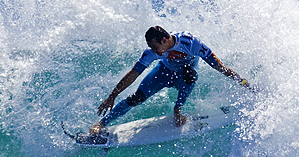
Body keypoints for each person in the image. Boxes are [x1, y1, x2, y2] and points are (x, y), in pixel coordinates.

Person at [90, 26, 251, 134]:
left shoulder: (190, 43)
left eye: (155, 47)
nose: (153, 51)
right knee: (136, 99)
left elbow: (219, 66)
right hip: (163, 73)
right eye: (151, 48)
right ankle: (103, 123)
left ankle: (177, 110)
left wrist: (244, 83)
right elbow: (134, 73)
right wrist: (112, 96)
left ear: (165, 40)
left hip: (183, 77)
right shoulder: (152, 52)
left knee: (190, 73)